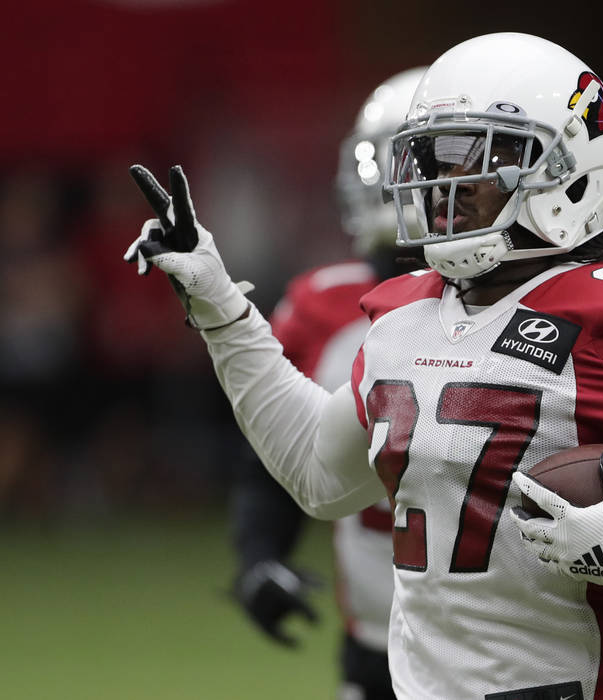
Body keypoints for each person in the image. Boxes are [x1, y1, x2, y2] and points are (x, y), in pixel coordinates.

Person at [124, 33, 603, 699]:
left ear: (569, 171)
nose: (448, 181)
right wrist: (218, 306)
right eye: (437, 158)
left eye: (487, 156)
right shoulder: (402, 317)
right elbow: (318, 476)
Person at [230, 66, 426, 700]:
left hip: (506, 644)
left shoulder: (530, 308)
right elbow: (273, 455)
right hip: (372, 642)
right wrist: (258, 555)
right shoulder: (320, 304)